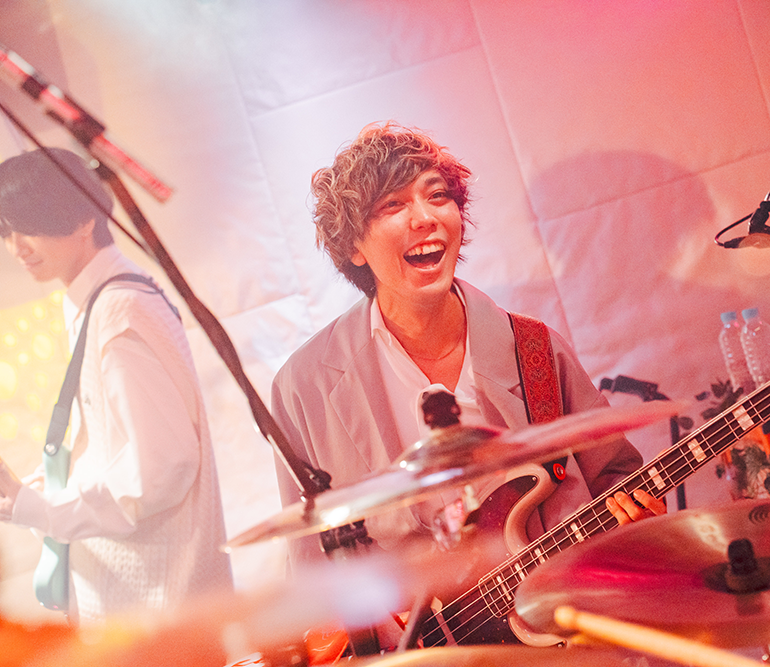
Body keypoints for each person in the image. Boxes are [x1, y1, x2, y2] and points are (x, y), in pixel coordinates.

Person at [271, 122, 663, 575]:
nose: (424, 218)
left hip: (556, 607)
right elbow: (312, 568)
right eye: (393, 205)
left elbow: (616, 479)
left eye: (437, 196)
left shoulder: (534, 349)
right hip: (417, 620)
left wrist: (636, 521)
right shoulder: (305, 386)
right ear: (354, 246)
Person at [0, 148, 233, 625]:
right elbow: (116, 451)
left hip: (158, 613)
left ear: (84, 218)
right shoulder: (100, 301)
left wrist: (38, 507)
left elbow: (161, 467)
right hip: (138, 608)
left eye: (29, 225)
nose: (16, 246)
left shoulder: (120, 309)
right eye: (6, 230)